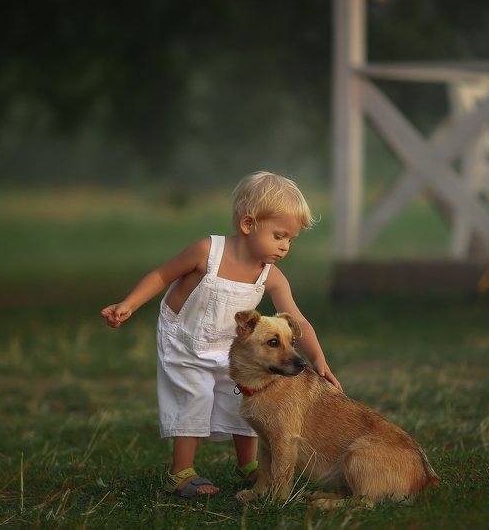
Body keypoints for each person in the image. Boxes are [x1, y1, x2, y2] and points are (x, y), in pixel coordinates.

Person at [101, 171, 342, 498]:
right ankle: (181, 474)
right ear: (248, 224)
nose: (285, 246)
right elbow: (162, 275)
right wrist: (128, 304)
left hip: (231, 349)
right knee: (194, 397)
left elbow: (298, 321)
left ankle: (249, 466)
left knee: (245, 396)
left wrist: (318, 358)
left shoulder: (272, 277)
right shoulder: (207, 252)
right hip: (184, 341)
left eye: (291, 240)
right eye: (279, 235)